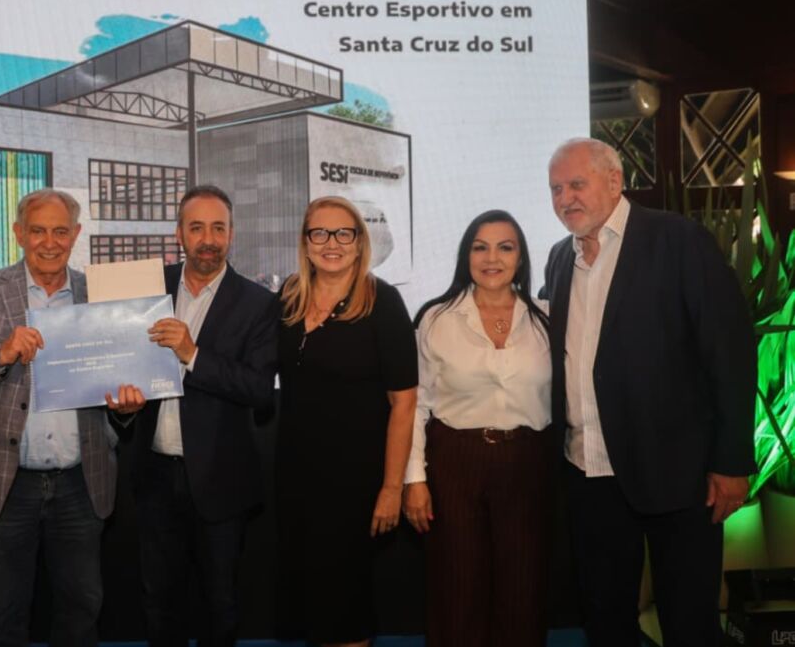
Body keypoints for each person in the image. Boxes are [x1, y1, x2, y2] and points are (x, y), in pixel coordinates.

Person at [544, 138, 756, 646]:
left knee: (689, 625)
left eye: (577, 184)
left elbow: (729, 351)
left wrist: (731, 462)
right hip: (590, 474)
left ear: (614, 181)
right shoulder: (558, 258)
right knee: (606, 623)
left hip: (677, 475)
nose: (565, 198)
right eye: (555, 189)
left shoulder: (678, 240)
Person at [0, 187, 144, 647]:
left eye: (60, 232)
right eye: (38, 231)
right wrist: (1, 354)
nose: (49, 242)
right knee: (1, 614)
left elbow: (121, 380)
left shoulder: (100, 295)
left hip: (81, 483)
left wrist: (125, 408)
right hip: (2, 482)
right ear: (18, 233)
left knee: (81, 610)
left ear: (76, 235)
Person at [133, 185, 279, 647]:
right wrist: (121, 406)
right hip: (155, 475)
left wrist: (192, 354)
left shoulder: (259, 303)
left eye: (218, 228)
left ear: (232, 234)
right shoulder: (146, 289)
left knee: (220, 605)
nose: (208, 239)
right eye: (197, 228)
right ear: (179, 234)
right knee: (159, 604)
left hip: (222, 480)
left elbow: (259, 389)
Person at [403, 210, 553, 647]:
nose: (492, 258)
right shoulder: (436, 319)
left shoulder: (546, 318)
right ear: (465, 255)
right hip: (455, 462)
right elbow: (416, 405)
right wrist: (414, 479)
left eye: (505, 247)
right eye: (480, 247)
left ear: (520, 257)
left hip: (527, 464)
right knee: (457, 589)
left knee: (523, 589)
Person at [275, 195, 418, 646]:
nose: (331, 243)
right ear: (306, 242)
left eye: (343, 233)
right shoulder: (289, 298)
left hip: (354, 485)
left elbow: (405, 403)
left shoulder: (383, 302)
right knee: (312, 603)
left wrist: (392, 488)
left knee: (345, 605)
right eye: (320, 233)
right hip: (296, 481)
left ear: (359, 243)